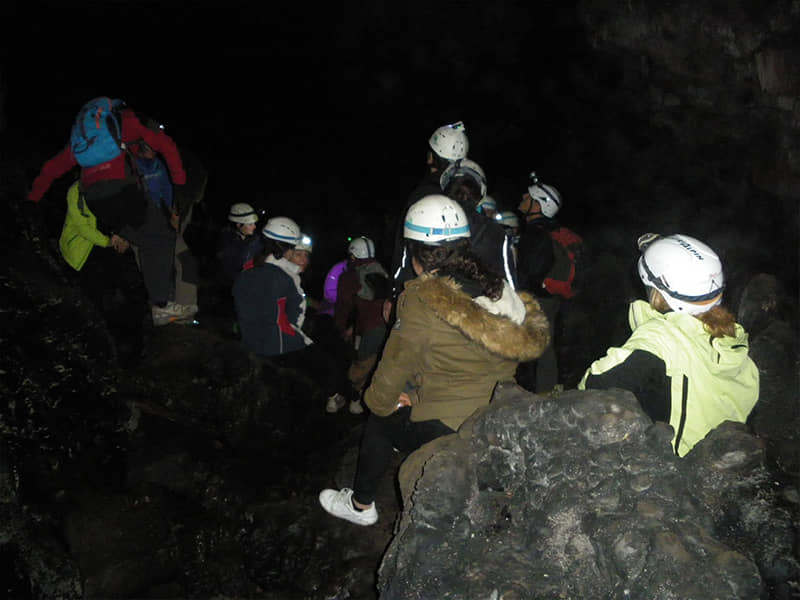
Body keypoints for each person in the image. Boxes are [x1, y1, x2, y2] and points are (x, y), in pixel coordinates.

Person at [319, 195, 550, 526]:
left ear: (416, 254)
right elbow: (469, 364)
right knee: (408, 397)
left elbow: (389, 376)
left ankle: (360, 506)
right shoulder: (499, 289)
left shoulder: (421, 299)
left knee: (381, 418)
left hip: (451, 426)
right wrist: (414, 396)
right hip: (497, 417)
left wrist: (378, 402)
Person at [578, 233, 759, 457]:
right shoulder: (731, 335)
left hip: (676, 468)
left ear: (655, 292)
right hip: (720, 461)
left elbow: (590, 388)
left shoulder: (658, 340)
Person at [27, 98, 193, 326]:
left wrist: (32, 199)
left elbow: (51, 169)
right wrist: (181, 185)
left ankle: (161, 303)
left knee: (147, 238)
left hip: (96, 200)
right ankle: (162, 306)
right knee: (162, 235)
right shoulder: (126, 120)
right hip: (122, 191)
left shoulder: (84, 139)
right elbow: (167, 146)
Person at [233, 217, 354, 410]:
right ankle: (336, 399)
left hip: (248, 339)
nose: (302, 259)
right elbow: (294, 322)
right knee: (327, 365)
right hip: (278, 345)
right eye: (296, 252)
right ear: (285, 249)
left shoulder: (246, 269)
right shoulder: (288, 278)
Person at [59, 180, 148, 359]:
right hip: (82, 252)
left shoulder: (114, 185)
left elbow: (126, 214)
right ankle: (107, 349)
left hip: (107, 248)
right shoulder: (76, 190)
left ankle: (132, 347)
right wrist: (111, 241)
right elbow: (84, 228)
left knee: (129, 289)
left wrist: (124, 237)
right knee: (99, 299)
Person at [390, 121, 469, 297]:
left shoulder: (422, 196)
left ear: (431, 158)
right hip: (462, 293)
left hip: (424, 293)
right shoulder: (469, 194)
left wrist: (395, 293)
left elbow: (404, 250)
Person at [331, 236, 391, 415]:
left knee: (357, 362)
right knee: (369, 361)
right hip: (382, 327)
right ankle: (357, 396)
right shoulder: (382, 271)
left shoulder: (349, 276)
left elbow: (344, 306)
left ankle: (346, 396)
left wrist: (340, 328)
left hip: (365, 328)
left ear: (352, 256)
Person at [439, 158, 517, 289]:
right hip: (482, 305)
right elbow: (510, 285)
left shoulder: (429, 219)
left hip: (433, 304)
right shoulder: (496, 233)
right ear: (480, 194)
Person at [514, 172, 558, 393]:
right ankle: (543, 392)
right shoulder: (542, 232)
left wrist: (517, 294)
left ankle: (543, 395)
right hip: (545, 298)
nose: (523, 196)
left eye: (529, 196)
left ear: (539, 205)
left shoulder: (536, 234)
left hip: (537, 300)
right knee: (543, 349)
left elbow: (530, 270)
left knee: (541, 350)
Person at [216, 203, 265, 283]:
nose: (254, 226)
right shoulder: (227, 242)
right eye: (250, 224)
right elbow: (228, 271)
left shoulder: (256, 239)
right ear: (239, 225)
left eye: (254, 223)